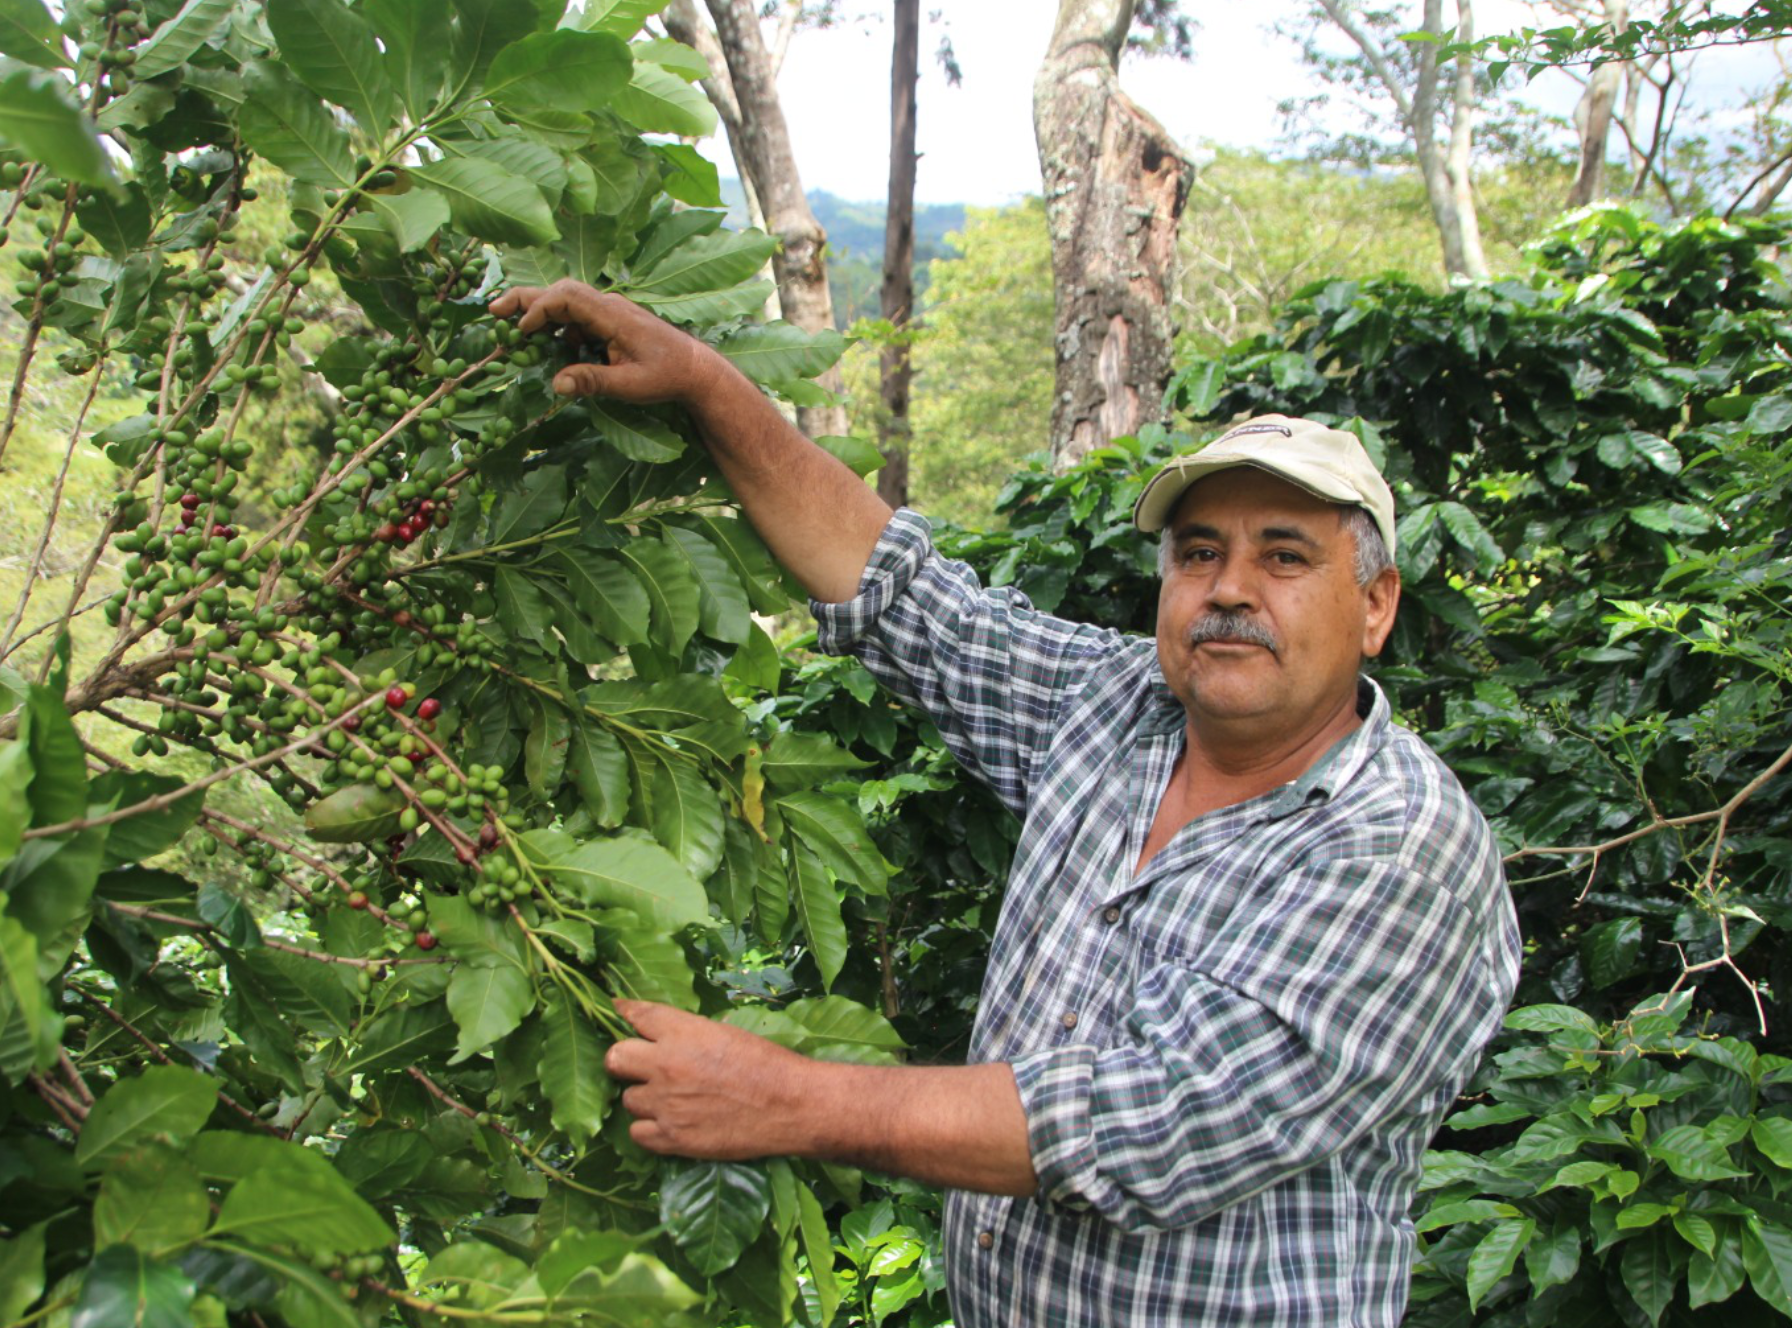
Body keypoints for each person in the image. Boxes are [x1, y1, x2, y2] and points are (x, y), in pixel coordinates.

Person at [487, 281, 1523, 1327]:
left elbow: (1151, 1119)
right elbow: (909, 599)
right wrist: (707, 383)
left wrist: (788, 1097)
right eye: (1199, 551)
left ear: (1375, 605)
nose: (1227, 587)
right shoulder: (1115, 705)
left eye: (1284, 556)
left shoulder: (1401, 845)